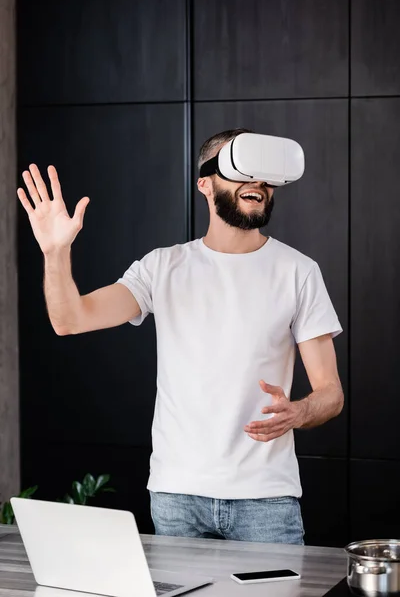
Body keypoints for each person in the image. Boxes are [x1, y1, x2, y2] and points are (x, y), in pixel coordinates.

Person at [17, 128, 344, 545]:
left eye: (264, 176)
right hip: (176, 496)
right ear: (204, 183)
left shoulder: (298, 271)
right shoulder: (162, 267)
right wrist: (55, 251)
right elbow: (71, 319)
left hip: (266, 499)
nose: (257, 185)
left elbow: (330, 393)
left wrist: (298, 412)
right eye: (241, 171)